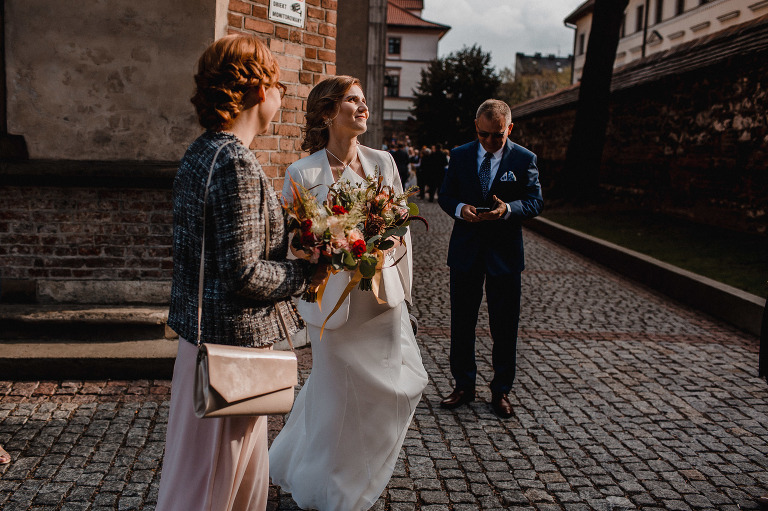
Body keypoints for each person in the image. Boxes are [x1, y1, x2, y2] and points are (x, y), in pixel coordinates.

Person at [156, 34, 318, 511]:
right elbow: (243, 273)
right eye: (277, 84)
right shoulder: (236, 163)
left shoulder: (200, 152)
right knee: (215, 487)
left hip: (203, 344)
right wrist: (304, 274)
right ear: (253, 90)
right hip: (230, 355)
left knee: (214, 477)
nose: (282, 95)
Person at [269, 75, 428, 511]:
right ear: (327, 113)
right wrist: (328, 249)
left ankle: (355, 470)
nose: (363, 107)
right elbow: (295, 242)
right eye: (352, 101)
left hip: (380, 302)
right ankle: (332, 488)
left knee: (396, 390)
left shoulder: (384, 163)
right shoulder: (303, 172)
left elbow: (399, 225)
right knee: (336, 399)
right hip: (335, 307)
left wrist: (387, 247)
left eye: (363, 99)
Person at [437, 99, 543, 419]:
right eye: (483, 134)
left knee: (504, 326)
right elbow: (446, 195)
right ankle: (464, 386)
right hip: (466, 251)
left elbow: (535, 202)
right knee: (462, 322)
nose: (490, 142)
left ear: (509, 129)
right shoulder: (459, 155)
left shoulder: (525, 159)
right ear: (476, 127)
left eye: (497, 135)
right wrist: (460, 209)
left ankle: (501, 391)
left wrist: (507, 210)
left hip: (505, 255)